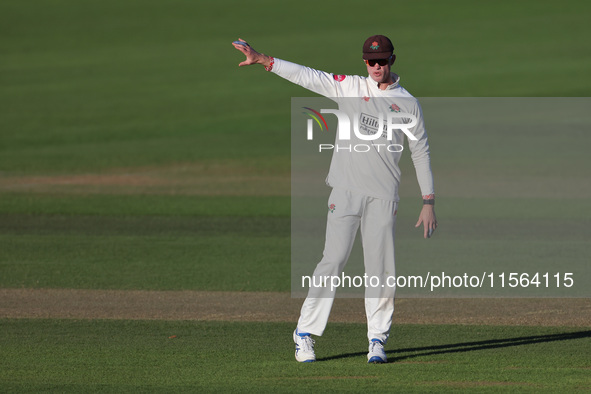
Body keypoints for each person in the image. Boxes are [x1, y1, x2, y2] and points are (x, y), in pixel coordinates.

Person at [232, 35, 437, 364]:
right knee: (333, 261)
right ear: (364, 62)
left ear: (392, 61)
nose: (376, 67)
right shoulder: (351, 87)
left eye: (382, 61)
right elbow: (309, 76)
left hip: (384, 195)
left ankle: (377, 341)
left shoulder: (408, 103)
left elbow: (420, 152)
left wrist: (428, 200)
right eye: (371, 61)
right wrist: (264, 60)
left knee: (381, 270)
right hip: (345, 190)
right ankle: (304, 335)